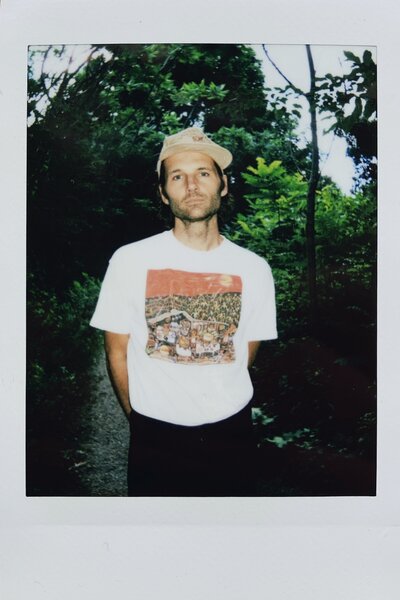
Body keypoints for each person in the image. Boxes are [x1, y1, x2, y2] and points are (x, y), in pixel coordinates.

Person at [90, 127, 277, 496]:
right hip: (155, 438)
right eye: (177, 176)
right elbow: (116, 351)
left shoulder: (255, 268)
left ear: (223, 184)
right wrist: (138, 419)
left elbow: (245, 352)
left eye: (203, 173)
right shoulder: (129, 261)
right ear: (163, 193)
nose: (192, 185)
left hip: (232, 434)